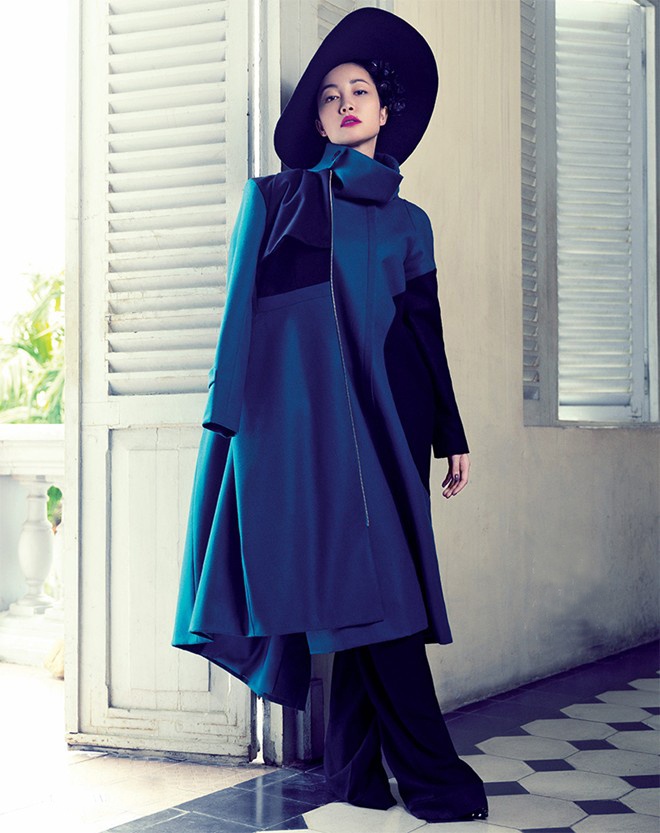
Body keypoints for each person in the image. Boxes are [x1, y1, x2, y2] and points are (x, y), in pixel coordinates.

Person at [172, 7, 488, 823]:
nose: (345, 103)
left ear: (385, 113)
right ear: (317, 120)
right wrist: (229, 429)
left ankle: (352, 773)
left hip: (391, 427)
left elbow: (424, 333)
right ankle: (433, 778)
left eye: (360, 92)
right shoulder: (278, 198)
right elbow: (240, 318)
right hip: (305, 432)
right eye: (329, 96)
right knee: (381, 598)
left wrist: (450, 433)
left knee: (365, 595)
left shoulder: (411, 223)